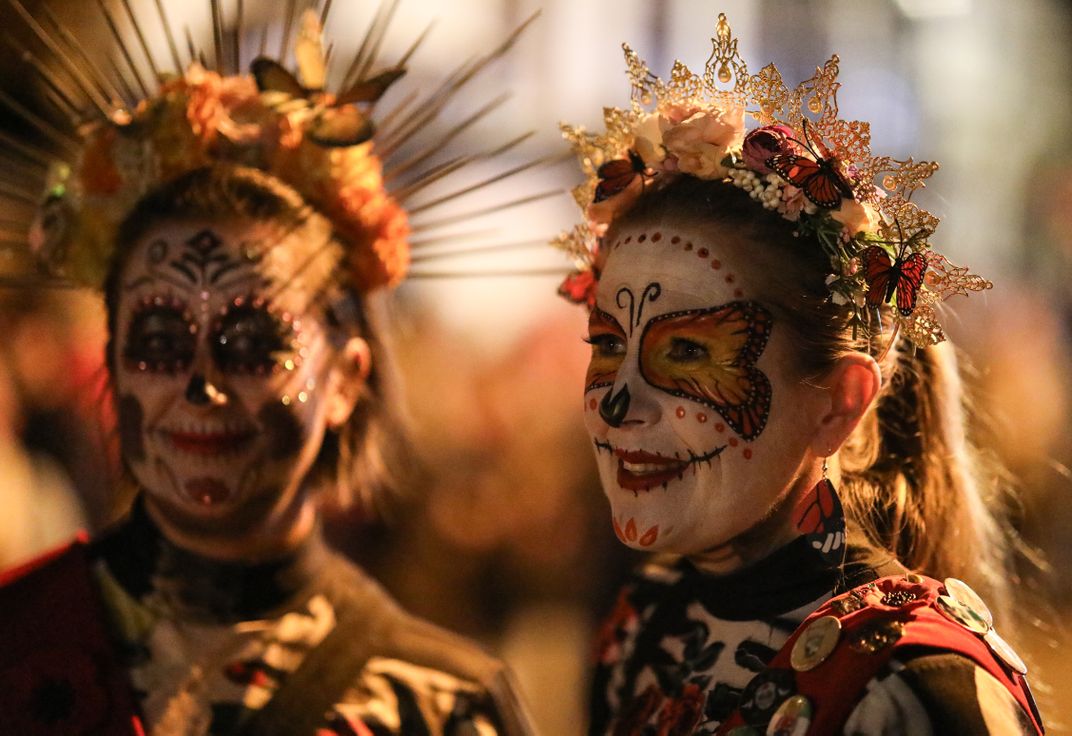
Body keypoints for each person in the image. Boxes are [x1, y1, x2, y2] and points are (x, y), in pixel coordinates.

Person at [0, 5, 537, 735]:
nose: (201, 385)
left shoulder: (440, 705)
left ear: (346, 378)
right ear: (112, 362)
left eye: (252, 342)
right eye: (159, 339)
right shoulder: (20, 640)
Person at [552, 13, 1044, 735]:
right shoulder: (644, 630)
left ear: (838, 404)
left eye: (686, 352)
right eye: (604, 343)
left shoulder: (913, 688)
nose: (617, 404)